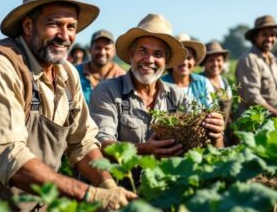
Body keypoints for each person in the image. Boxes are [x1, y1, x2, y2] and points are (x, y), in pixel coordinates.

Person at [0, 0, 136, 211]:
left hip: (35, 204)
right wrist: (89, 194)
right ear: (27, 26)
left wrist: (107, 184)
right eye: (54, 24)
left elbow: (82, 142)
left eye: (71, 27)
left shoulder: (66, 74)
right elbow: (8, 156)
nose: (64, 36)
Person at [89, 14, 225, 159]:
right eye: (143, 51)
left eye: (158, 54)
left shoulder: (178, 96)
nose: (149, 60)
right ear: (131, 55)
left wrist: (216, 135)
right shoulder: (108, 91)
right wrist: (142, 149)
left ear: (166, 61)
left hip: (165, 179)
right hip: (122, 179)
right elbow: (101, 144)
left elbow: (211, 148)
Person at [236, 15, 277, 118]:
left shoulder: (273, 59)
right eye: (265, 34)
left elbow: (270, 91)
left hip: (272, 118)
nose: (269, 39)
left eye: (273, 35)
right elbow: (252, 97)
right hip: (255, 122)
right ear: (255, 37)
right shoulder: (249, 59)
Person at [161, 33, 212, 107]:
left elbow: (211, 109)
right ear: (171, 60)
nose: (184, 62)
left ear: (194, 61)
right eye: (180, 58)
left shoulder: (203, 82)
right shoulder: (161, 84)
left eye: (189, 58)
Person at [76, 29, 126, 104]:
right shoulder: (75, 72)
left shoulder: (121, 76)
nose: (102, 52)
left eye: (107, 48)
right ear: (90, 50)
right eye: (98, 48)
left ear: (114, 52)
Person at [200, 41, 233, 127]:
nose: (215, 64)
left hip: (225, 130)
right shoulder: (200, 82)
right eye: (211, 60)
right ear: (205, 63)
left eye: (219, 60)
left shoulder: (224, 81)